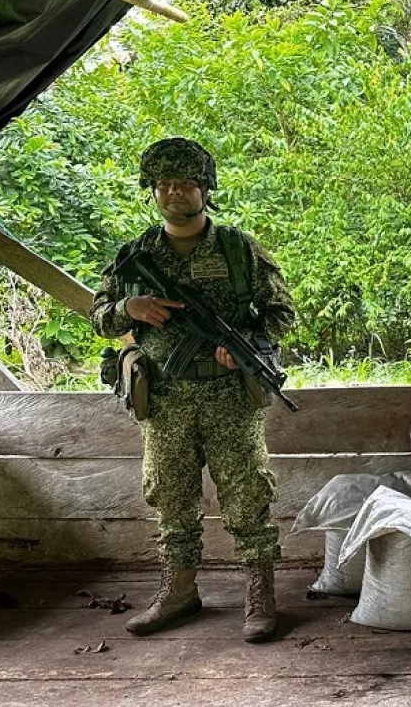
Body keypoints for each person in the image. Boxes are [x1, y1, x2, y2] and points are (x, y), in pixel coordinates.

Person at [91, 137, 295, 643]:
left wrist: (246, 344)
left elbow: (282, 314)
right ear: (151, 191)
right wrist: (128, 311)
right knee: (171, 499)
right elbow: (98, 316)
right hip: (163, 401)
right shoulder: (134, 255)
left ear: (205, 188)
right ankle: (178, 592)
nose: (174, 193)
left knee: (248, 496)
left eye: (184, 183)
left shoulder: (237, 249)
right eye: (163, 184)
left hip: (229, 396)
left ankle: (259, 595)